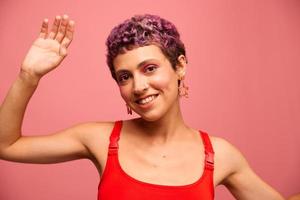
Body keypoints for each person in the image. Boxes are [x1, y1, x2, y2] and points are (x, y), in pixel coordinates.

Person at [0, 14, 286, 200]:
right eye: (125, 77)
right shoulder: (101, 140)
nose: (138, 87)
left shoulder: (219, 155)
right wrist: (29, 76)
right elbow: (6, 145)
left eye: (149, 68)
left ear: (180, 66)